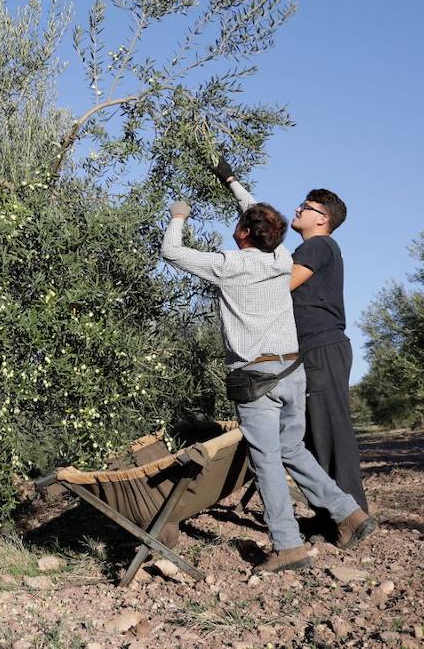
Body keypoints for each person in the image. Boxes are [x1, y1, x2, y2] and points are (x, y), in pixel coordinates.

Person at [160, 185, 374, 571]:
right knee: (292, 449)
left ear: (243, 232)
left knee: (267, 461)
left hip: (256, 378)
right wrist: (232, 184)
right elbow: (259, 217)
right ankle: (349, 512)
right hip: (292, 372)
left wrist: (178, 215)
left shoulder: (229, 264)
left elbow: (171, 252)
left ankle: (287, 545)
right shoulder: (280, 257)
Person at [209, 157, 368, 512]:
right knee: (313, 433)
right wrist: (232, 181)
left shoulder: (318, 246)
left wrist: (242, 271)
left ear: (323, 219)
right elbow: (261, 221)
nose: (297, 209)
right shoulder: (307, 249)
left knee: (330, 430)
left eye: (307, 207)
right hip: (312, 349)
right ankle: (335, 514)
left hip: (321, 346)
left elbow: (282, 284)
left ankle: (350, 513)